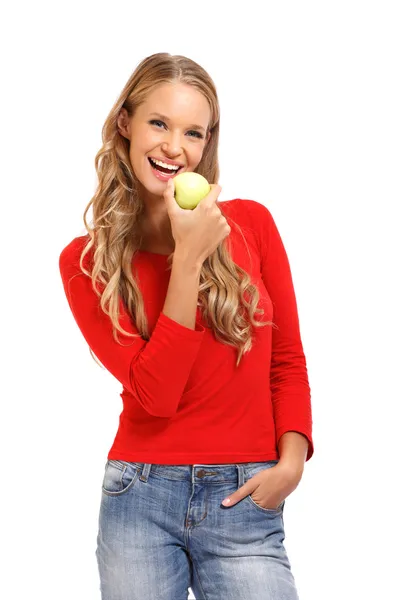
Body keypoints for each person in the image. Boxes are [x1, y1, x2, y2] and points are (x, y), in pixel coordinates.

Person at [59, 52, 313, 600]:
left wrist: (290, 464)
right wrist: (189, 259)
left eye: (193, 132)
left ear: (206, 145)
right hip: (140, 499)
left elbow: (287, 362)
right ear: (125, 124)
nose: (175, 146)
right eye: (159, 123)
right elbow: (156, 395)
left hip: (244, 498)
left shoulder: (252, 225)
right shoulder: (86, 262)